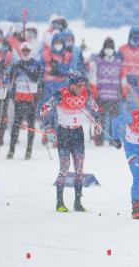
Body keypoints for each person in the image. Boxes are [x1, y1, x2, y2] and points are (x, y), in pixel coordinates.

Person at [40, 72, 89, 212]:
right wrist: (48, 128)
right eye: (79, 86)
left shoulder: (84, 93)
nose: (81, 88)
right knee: (64, 169)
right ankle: (59, 202)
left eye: (83, 85)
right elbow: (44, 110)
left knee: (79, 170)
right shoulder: (60, 94)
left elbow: (95, 107)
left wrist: (97, 120)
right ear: (71, 85)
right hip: (64, 133)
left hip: (78, 133)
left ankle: (77, 202)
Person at [7, 42, 42, 160]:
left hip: (31, 99)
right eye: (24, 51)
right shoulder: (16, 64)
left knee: (31, 126)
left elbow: (35, 79)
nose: (26, 53)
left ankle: (29, 151)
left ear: (31, 51)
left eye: (28, 51)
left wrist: (24, 69)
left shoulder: (35, 64)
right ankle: (11, 151)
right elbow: (11, 80)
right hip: (19, 99)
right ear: (21, 52)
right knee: (16, 126)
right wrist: (12, 95)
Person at [89, 37, 121, 146]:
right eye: (107, 47)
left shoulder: (118, 62)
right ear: (103, 48)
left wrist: (122, 92)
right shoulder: (98, 62)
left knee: (114, 120)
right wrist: (95, 93)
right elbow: (93, 79)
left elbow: (122, 78)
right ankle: (98, 139)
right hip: (101, 96)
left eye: (111, 48)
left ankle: (113, 139)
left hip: (114, 96)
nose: (109, 50)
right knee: (99, 119)